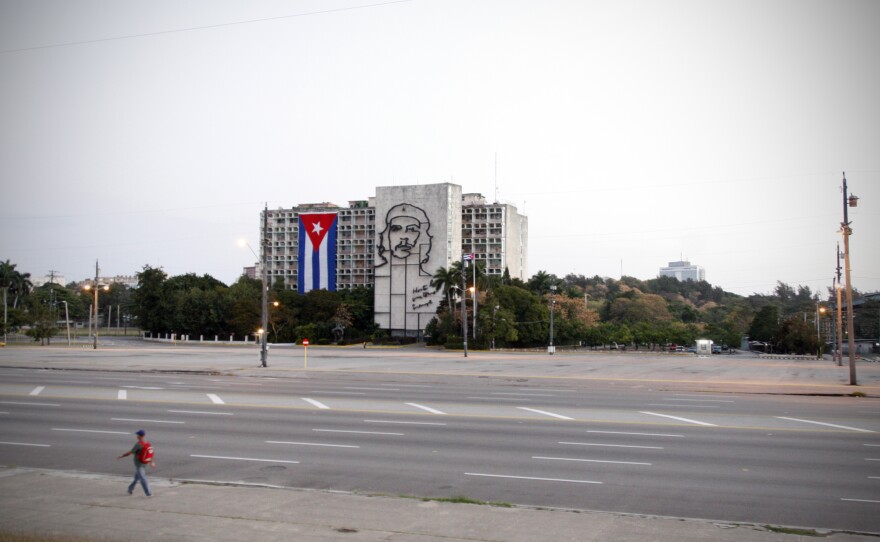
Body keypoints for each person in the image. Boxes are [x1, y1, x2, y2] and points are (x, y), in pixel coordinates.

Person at [117, 429, 154, 496]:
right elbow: (149, 453)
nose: (136, 436)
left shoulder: (138, 444)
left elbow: (130, 452)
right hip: (144, 463)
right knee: (136, 478)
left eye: (137, 435)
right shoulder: (147, 443)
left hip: (139, 464)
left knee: (143, 479)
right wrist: (151, 462)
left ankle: (148, 493)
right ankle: (130, 489)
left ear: (139, 436)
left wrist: (122, 455)